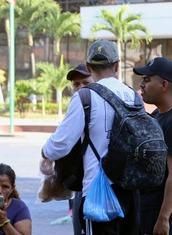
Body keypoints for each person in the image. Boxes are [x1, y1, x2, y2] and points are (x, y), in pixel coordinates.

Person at [41, 39, 139, 235]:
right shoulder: (133, 96)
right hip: (131, 188)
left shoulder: (85, 96)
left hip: (99, 192)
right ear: (117, 65)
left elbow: (60, 144)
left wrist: (45, 151)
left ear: (88, 66)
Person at [133, 57, 172, 235]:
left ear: (164, 85)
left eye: (147, 80)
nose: (141, 84)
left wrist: (164, 218)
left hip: (160, 212)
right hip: (146, 208)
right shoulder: (156, 115)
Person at [66, 64, 94, 235]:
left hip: (99, 189)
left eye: (86, 84)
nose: (80, 89)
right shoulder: (74, 112)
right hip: (80, 187)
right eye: (76, 85)